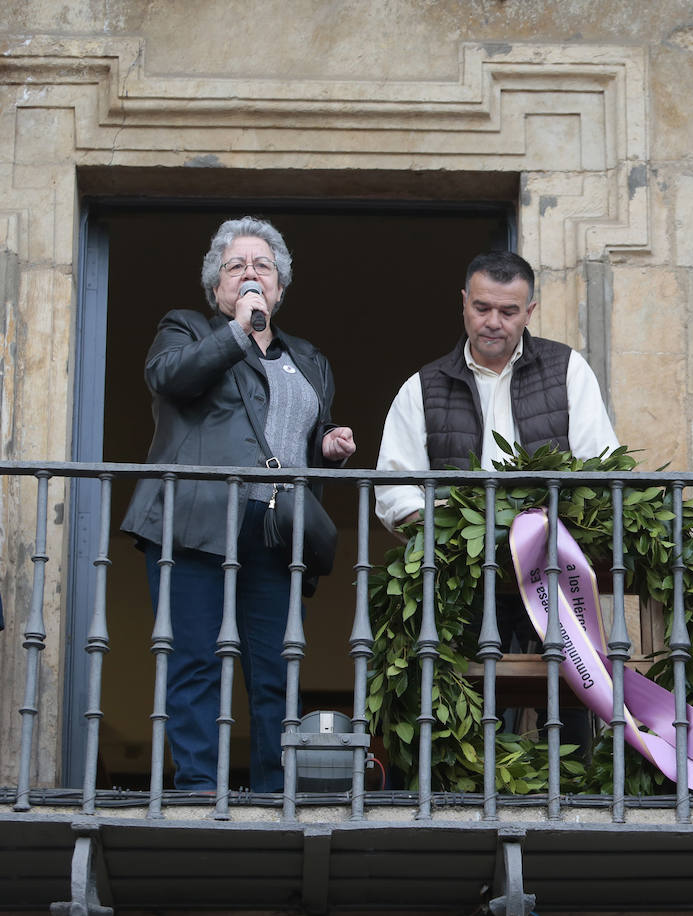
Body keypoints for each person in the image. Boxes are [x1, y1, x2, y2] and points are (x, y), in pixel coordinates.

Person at [120, 216, 356, 793]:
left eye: (263, 268)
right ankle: (200, 787)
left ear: (280, 287)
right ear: (217, 287)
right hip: (194, 523)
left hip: (274, 531)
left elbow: (297, 440)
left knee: (276, 670)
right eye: (237, 267)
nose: (251, 275)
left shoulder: (308, 357)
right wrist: (237, 332)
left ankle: (276, 791)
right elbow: (170, 378)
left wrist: (328, 448)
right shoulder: (186, 328)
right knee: (195, 660)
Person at [375, 249, 618, 533]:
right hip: (458, 566)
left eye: (508, 312)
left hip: (555, 561)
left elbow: (600, 466)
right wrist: (445, 536)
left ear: (529, 313)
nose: (492, 322)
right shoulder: (421, 387)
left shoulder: (568, 368)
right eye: (482, 308)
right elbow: (395, 488)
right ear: (464, 303)